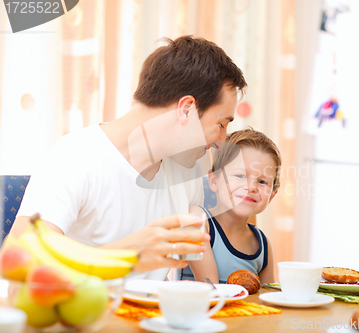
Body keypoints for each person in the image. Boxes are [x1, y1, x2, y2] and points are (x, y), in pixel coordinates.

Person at [7, 35, 247, 280]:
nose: (222, 140)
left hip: (153, 317)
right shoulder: (74, 156)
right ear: (186, 109)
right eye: (221, 124)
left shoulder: (186, 170)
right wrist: (126, 255)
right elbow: (17, 266)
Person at [177, 128, 281, 284]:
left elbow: (266, 300)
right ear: (213, 180)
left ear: (272, 195)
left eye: (262, 181)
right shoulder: (196, 220)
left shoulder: (263, 245)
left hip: (240, 309)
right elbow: (210, 289)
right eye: (240, 176)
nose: (251, 187)